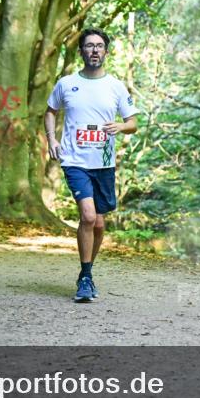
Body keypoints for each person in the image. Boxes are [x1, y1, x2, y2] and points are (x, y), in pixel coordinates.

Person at [44, 28, 139, 303]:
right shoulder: (66, 83)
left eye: (99, 46)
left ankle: (88, 270)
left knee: (98, 223)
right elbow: (50, 112)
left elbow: (133, 122)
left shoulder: (116, 86)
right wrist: (52, 140)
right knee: (87, 216)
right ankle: (85, 277)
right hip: (75, 161)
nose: (94, 50)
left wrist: (121, 126)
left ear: (105, 52)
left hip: (104, 163)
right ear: (81, 51)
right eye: (89, 46)